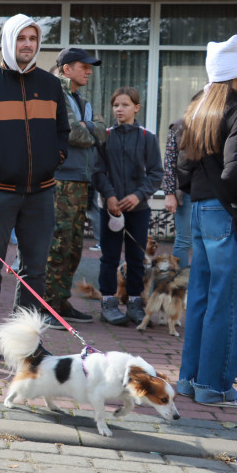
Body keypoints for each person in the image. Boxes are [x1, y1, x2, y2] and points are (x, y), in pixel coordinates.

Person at [0, 15, 70, 332]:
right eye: (21, 38)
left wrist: (56, 157)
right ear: (9, 41)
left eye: (33, 39)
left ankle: (23, 336)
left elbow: (63, 132)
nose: (28, 44)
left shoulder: (52, 86)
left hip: (41, 192)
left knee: (35, 269)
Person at [176, 34, 237, 408]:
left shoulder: (198, 107)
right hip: (227, 212)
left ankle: (189, 381)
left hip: (200, 211)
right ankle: (216, 387)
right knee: (228, 304)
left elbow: (183, 168)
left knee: (200, 299)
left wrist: (201, 190)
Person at [93, 87, 163, 325]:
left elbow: (156, 174)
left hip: (138, 209)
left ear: (136, 107)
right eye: (116, 105)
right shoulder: (105, 136)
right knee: (109, 256)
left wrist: (138, 195)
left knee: (136, 257)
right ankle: (108, 303)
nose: (119, 109)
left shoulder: (147, 137)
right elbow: (98, 171)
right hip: (111, 208)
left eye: (124, 105)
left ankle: (135, 303)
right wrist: (110, 196)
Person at [44, 48, 104, 325]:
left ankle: (61, 300)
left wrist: (88, 125)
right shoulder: (55, 93)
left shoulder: (82, 100)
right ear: (66, 69)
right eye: (84, 66)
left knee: (74, 246)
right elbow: (74, 134)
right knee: (58, 244)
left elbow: (102, 132)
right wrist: (89, 128)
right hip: (61, 181)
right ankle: (47, 305)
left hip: (81, 181)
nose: (89, 71)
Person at [163, 117, 192, 267]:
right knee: (184, 240)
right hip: (185, 191)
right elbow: (169, 161)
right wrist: (169, 193)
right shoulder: (179, 126)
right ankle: (177, 286)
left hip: (211, 191)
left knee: (206, 243)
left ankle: (199, 287)